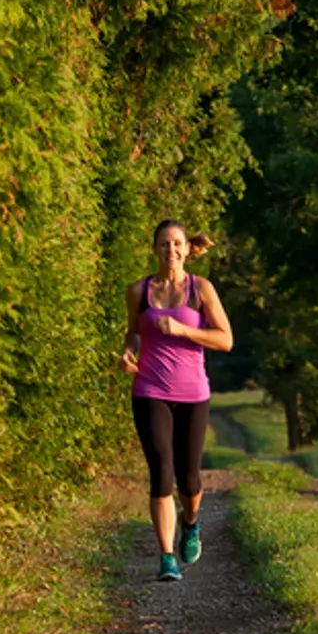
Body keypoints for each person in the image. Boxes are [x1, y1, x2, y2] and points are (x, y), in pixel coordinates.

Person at [122, 220, 234, 582]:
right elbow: (134, 333)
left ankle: (191, 522)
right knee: (161, 473)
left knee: (188, 479)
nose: (170, 250)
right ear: (154, 249)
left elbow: (225, 340)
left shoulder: (200, 289)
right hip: (149, 389)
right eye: (164, 244)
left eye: (177, 244)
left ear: (187, 250)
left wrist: (184, 329)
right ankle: (167, 556)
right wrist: (128, 352)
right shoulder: (138, 291)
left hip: (193, 393)